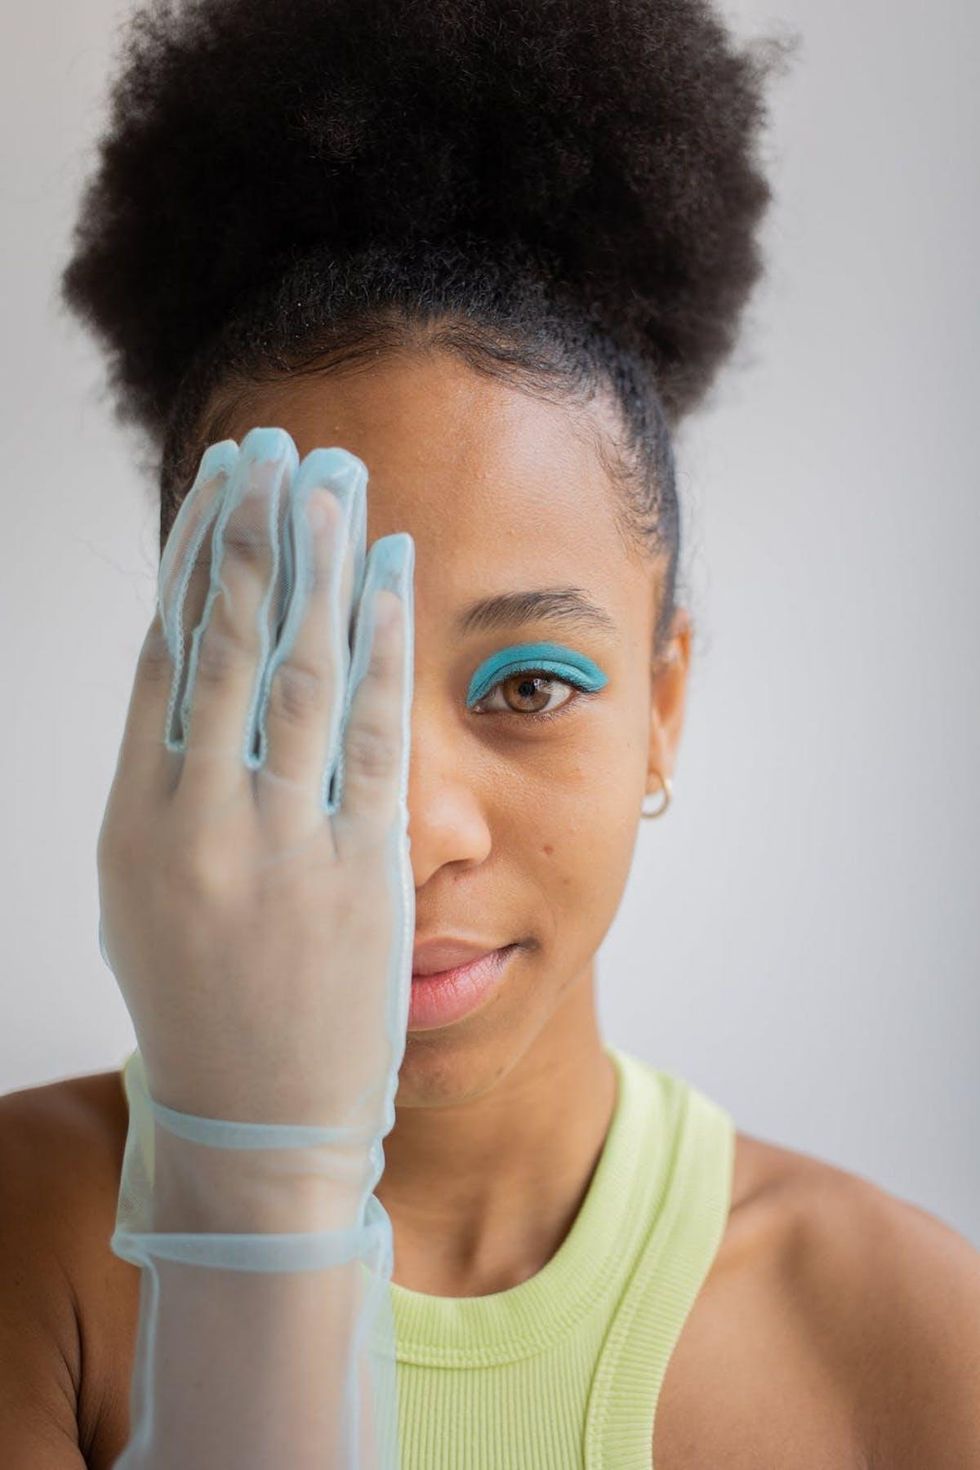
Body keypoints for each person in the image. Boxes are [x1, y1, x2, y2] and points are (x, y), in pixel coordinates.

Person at [2, 0, 978, 1465]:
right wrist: (250, 1199)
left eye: (529, 686)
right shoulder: (24, 1251)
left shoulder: (908, 1339)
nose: (410, 833)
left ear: (664, 704)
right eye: (309, 679)